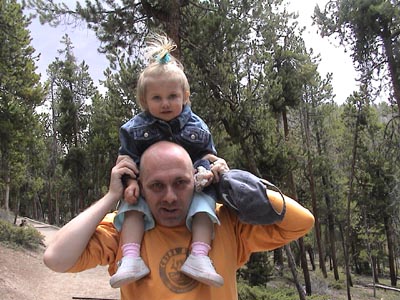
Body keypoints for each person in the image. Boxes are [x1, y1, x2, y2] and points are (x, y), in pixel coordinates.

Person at [43, 141, 315, 300]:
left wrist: (229, 183)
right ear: (140, 188)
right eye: (157, 186)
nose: (170, 196)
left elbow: (300, 221)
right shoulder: (125, 231)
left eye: (180, 183)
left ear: (197, 181)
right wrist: (112, 195)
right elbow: (56, 257)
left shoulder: (224, 222)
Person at [110, 32, 227, 288]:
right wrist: (130, 182)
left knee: (205, 206)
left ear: (185, 96)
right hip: (147, 187)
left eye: (172, 97)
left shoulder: (198, 127)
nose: (165, 104)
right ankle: (130, 258)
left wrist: (212, 169)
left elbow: (207, 154)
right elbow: (126, 158)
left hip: (192, 183)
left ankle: (199, 255)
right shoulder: (133, 129)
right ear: (144, 100)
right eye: (157, 98)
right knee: (131, 208)